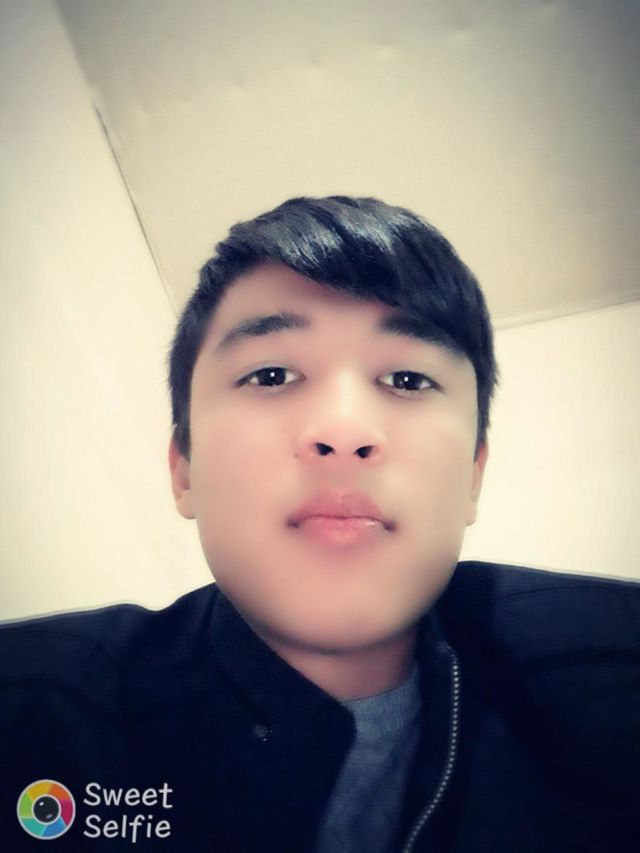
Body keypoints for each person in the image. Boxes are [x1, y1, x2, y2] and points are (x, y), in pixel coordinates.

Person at [0, 196, 638, 852]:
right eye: (271, 374)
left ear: (473, 474)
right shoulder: (31, 703)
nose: (344, 429)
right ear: (184, 467)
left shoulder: (612, 675)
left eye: (408, 378)